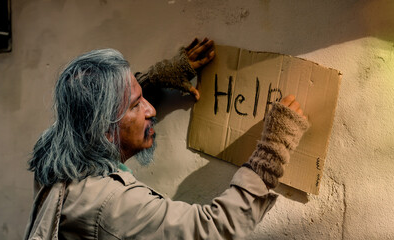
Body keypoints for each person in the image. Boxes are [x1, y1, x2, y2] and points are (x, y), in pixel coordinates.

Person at [24, 38, 309, 239]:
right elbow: (210, 230)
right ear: (104, 128)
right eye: (136, 105)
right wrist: (270, 154)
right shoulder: (109, 206)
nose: (151, 109)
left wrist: (150, 80)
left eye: (142, 97)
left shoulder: (56, 152)